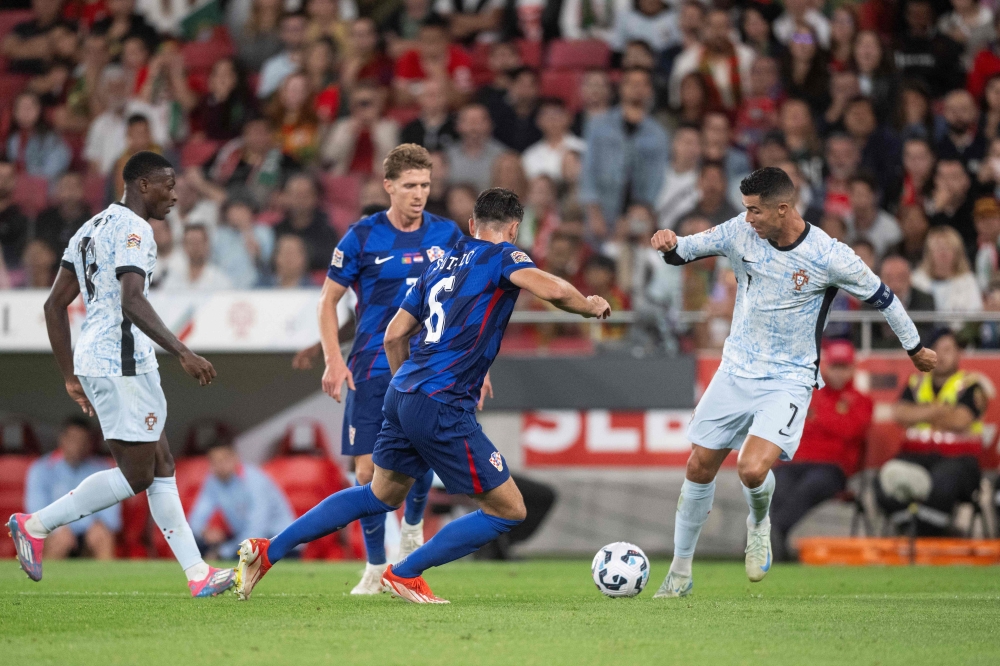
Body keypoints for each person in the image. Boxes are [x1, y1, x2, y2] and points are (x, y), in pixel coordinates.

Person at [233, 187, 611, 603]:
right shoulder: (504, 257)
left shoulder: (438, 264)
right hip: (442, 401)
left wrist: (406, 393)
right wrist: (588, 306)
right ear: (514, 229)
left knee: (378, 495)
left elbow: (394, 335)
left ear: (471, 225)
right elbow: (553, 289)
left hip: (402, 392)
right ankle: (406, 573)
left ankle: (268, 551)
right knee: (509, 510)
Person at [649, 167, 935, 598]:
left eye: (755, 211)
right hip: (735, 370)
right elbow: (684, 251)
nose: (747, 219)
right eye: (745, 210)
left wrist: (914, 348)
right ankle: (680, 572)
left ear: (783, 208)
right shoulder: (739, 231)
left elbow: (883, 298)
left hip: (788, 378)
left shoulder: (829, 255)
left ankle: (759, 523)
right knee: (698, 466)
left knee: (751, 468)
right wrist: (669, 244)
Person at [8, 151, 234, 598]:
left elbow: (54, 305)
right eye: (167, 185)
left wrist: (69, 373)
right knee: (137, 476)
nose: (174, 194)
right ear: (142, 185)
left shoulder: (89, 228)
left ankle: (197, 574)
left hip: (107, 359)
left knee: (161, 465)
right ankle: (34, 524)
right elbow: (132, 299)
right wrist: (183, 351)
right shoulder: (136, 229)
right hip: (120, 361)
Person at [289, 144, 464, 595]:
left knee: (422, 454)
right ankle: (374, 565)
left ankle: (412, 528)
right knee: (367, 473)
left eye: (425, 185)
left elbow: (467, 304)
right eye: (410, 186)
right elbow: (328, 301)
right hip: (371, 365)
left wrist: (476, 368)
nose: (419, 194)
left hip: (428, 364)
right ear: (389, 186)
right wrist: (331, 356)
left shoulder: (447, 235)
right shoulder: (362, 236)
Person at [876, 329, 989, 535]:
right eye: (935, 349)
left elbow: (960, 420)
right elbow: (900, 414)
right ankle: (914, 528)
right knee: (884, 479)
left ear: (958, 354)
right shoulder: (916, 383)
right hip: (916, 457)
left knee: (943, 481)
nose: (941, 356)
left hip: (959, 461)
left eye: (947, 350)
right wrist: (940, 409)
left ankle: (926, 534)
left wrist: (919, 412)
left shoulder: (971, 385)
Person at [769, 341, 873, 562]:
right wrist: (830, 417)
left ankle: (770, 534)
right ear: (826, 367)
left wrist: (820, 415)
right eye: (834, 366)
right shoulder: (810, 396)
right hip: (796, 462)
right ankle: (776, 541)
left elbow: (851, 430)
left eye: (844, 367)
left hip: (834, 469)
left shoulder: (862, 401)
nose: (838, 372)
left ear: (853, 368)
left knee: (813, 484)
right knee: (777, 481)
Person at [580, 67, 668, 241]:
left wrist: (646, 210)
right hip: (603, 208)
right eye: (632, 83)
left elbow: (658, 178)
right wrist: (594, 212)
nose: (637, 88)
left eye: (643, 84)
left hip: (639, 213)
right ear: (621, 88)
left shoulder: (658, 134)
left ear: (650, 91)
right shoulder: (598, 126)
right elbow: (588, 170)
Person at [24, 416, 121, 561]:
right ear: (62, 439)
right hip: (56, 533)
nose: (77, 445)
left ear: (90, 443)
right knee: (59, 540)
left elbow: (111, 515)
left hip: (90, 533)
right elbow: (35, 512)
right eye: (73, 439)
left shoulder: (102, 469)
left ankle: (105, 583)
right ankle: (47, 583)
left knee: (102, 536)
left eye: (83, 441)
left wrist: (94, 526)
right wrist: (59, 528)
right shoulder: (41, 469)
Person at [188, 442, 296, 560]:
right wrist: (205, 532)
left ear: (235, 458)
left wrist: (223, 552)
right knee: (199, 544)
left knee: (238, 552)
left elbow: (257, 530)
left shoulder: (255, 480)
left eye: (224, 460)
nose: (220, 465)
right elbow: (195, 520)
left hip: (279, 542)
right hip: (245, 541)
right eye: (215, 461)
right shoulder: (213, 481)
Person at [272, 174, 339, 272]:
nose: (300, 200)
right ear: (285, 197)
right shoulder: (276, 230)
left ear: (315, 197)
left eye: (305, 195)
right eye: (295, 194)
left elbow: (332, 265)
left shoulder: (327, 232)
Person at [872, 255, 936, 349]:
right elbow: (862, 338)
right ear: (880, 280)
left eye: (901, 278)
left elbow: (926, 336)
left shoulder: (925, 300)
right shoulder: (868, 300)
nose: (895, 285)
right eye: (889, 279)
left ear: (910, 279)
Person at [521, 97, 585, 183]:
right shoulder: (530, 155)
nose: (552, 120)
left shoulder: (583, 148)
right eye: (547, 115)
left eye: (557, 114)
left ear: (570, 117)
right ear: (538, 121)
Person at [159, 225, 233, 291]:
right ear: (184, 246)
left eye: (198, 242)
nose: (195, 247)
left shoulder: (220, 280)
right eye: (191, 243)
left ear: (207, 245)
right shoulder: (173, 278)